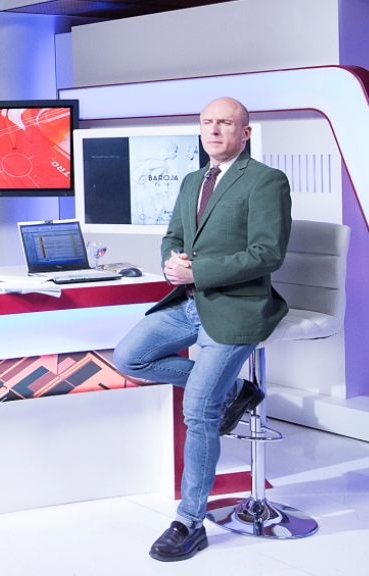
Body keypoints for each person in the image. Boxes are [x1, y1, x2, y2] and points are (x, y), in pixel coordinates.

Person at [113, 97, 291, 562]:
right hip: (189, 302)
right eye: (207, 122)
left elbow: (268, 253)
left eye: (225, 123)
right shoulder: (193, 179)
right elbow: (174, 236)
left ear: (245, 132)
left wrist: (200, 271)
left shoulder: (266, 180)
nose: (214, 130)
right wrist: (171, 264)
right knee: (129, 357)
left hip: (236, 307)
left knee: (198, 410)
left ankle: (189, 523)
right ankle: (235, 390)